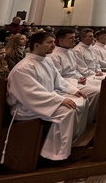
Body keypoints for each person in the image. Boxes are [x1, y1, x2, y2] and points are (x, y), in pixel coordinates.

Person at [6, 32, 89, 161]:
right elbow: (32, 93)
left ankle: (75, 140)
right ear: (37, 45)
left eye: (53, 42)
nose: (53, 46)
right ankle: (55, 153)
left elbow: (59, 80)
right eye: (49, 42)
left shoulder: (46, 60)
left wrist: (73, 90)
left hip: (46, 99)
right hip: (25, 108)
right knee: (67, 111)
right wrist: (60, 100)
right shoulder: (23, 68)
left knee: (82, 100)